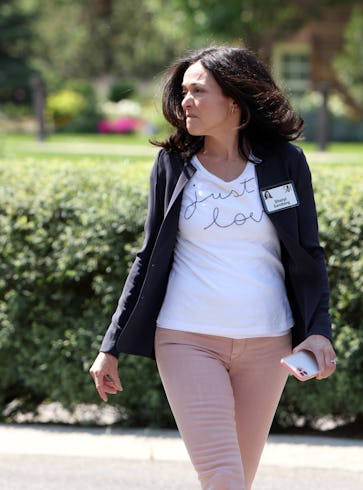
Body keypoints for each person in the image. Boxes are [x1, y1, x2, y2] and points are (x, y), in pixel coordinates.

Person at [89, 46, 336, 490]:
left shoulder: (284, 163)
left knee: (238, 478)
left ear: (235, 102)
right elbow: (147, 256)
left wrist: (319, 329)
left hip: (268, 344)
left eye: (199, 91)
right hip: (187, 340)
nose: (186, 102)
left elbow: (308, 254)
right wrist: (111, 344)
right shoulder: (173, 164)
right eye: (184, 91)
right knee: (223, 478)